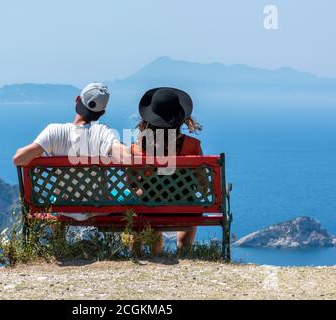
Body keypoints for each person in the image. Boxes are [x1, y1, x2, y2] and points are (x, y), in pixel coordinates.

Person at [13, 82, 130, 220]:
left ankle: (58, 238)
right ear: (101, 113)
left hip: (63, 207)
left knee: (53, 195)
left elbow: (18, 159)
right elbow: (125, 157)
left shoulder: (54, 131)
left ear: (77, 100)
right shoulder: (102, 132)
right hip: (98, 208)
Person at [131, 87, 204, 254]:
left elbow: (131, 183)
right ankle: (183, 250)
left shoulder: (139, 147)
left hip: (149, 205)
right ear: (181, 119)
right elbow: (202, 185)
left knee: (147, 195)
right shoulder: (193, 146)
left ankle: (155, 252)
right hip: (185, 206)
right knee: (190, 201)